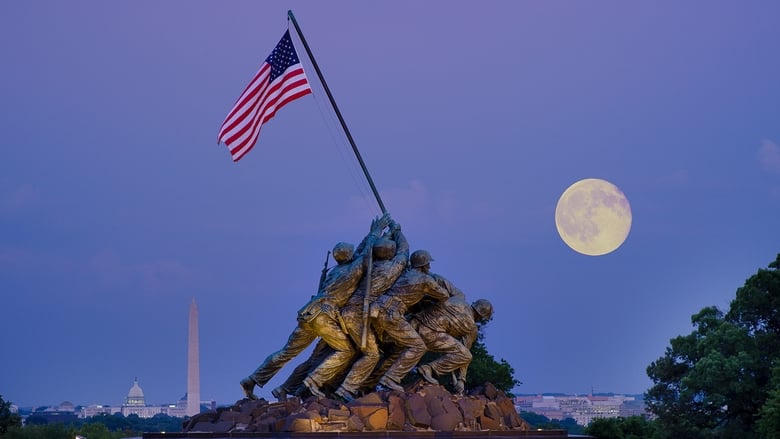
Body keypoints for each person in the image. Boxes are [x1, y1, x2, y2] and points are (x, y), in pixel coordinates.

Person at [240, 214, 391, 399]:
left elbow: (360, 253)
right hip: (323, 316)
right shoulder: (352, 271)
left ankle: (253, 379)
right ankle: (313, 381)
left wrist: (371, 234)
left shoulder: (335, 270)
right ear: (349, 256)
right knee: (346, 350)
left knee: (287, 352)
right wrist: (375, 232)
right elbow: (366, 254)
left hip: (308, 312)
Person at [332, 222, 409, 401]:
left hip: (347, 313)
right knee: (372, 355)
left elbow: (361, 252)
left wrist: (380, 234)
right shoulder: (390, 269)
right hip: (357, 315)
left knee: (364, 351)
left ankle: (348, 386)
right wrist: (397, 232)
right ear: (391, 253)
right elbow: (404, 252)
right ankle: (345, 389)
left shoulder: (366, 265)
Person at [363, 250, 451, 393]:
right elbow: (444, 295)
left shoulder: (404, 274)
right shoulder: (425, 280)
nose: (429, 266)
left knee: (394, 348)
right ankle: (390, 379)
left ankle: (369, 383)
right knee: (418, 346)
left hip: (377, 310)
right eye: (428, 263)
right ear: (423, 265)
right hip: (392, 313)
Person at [412, 276, 493, 394]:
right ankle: (428, 368)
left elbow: (439, 279)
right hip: (430, 335)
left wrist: (421, 273)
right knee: (465, 355)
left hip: (415, 322)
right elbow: (464, 353)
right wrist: (461, 379)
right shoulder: (471, 327)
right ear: (481, 316)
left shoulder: (459, 297)